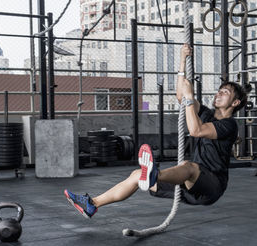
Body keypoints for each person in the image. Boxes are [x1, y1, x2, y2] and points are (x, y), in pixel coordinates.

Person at [64, 44, 247, 219]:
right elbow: (181, 97)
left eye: (225, 92)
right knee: (137, 175)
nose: (218, 93)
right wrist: (183, 60)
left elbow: (196, 130)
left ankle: (154, 175)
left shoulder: (229, 125)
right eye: (219, 90)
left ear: (235, 102)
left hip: (211, 186)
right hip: (190, 187)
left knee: (188, 166)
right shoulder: (206, 113)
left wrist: (191, 97)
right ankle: (92, 204)